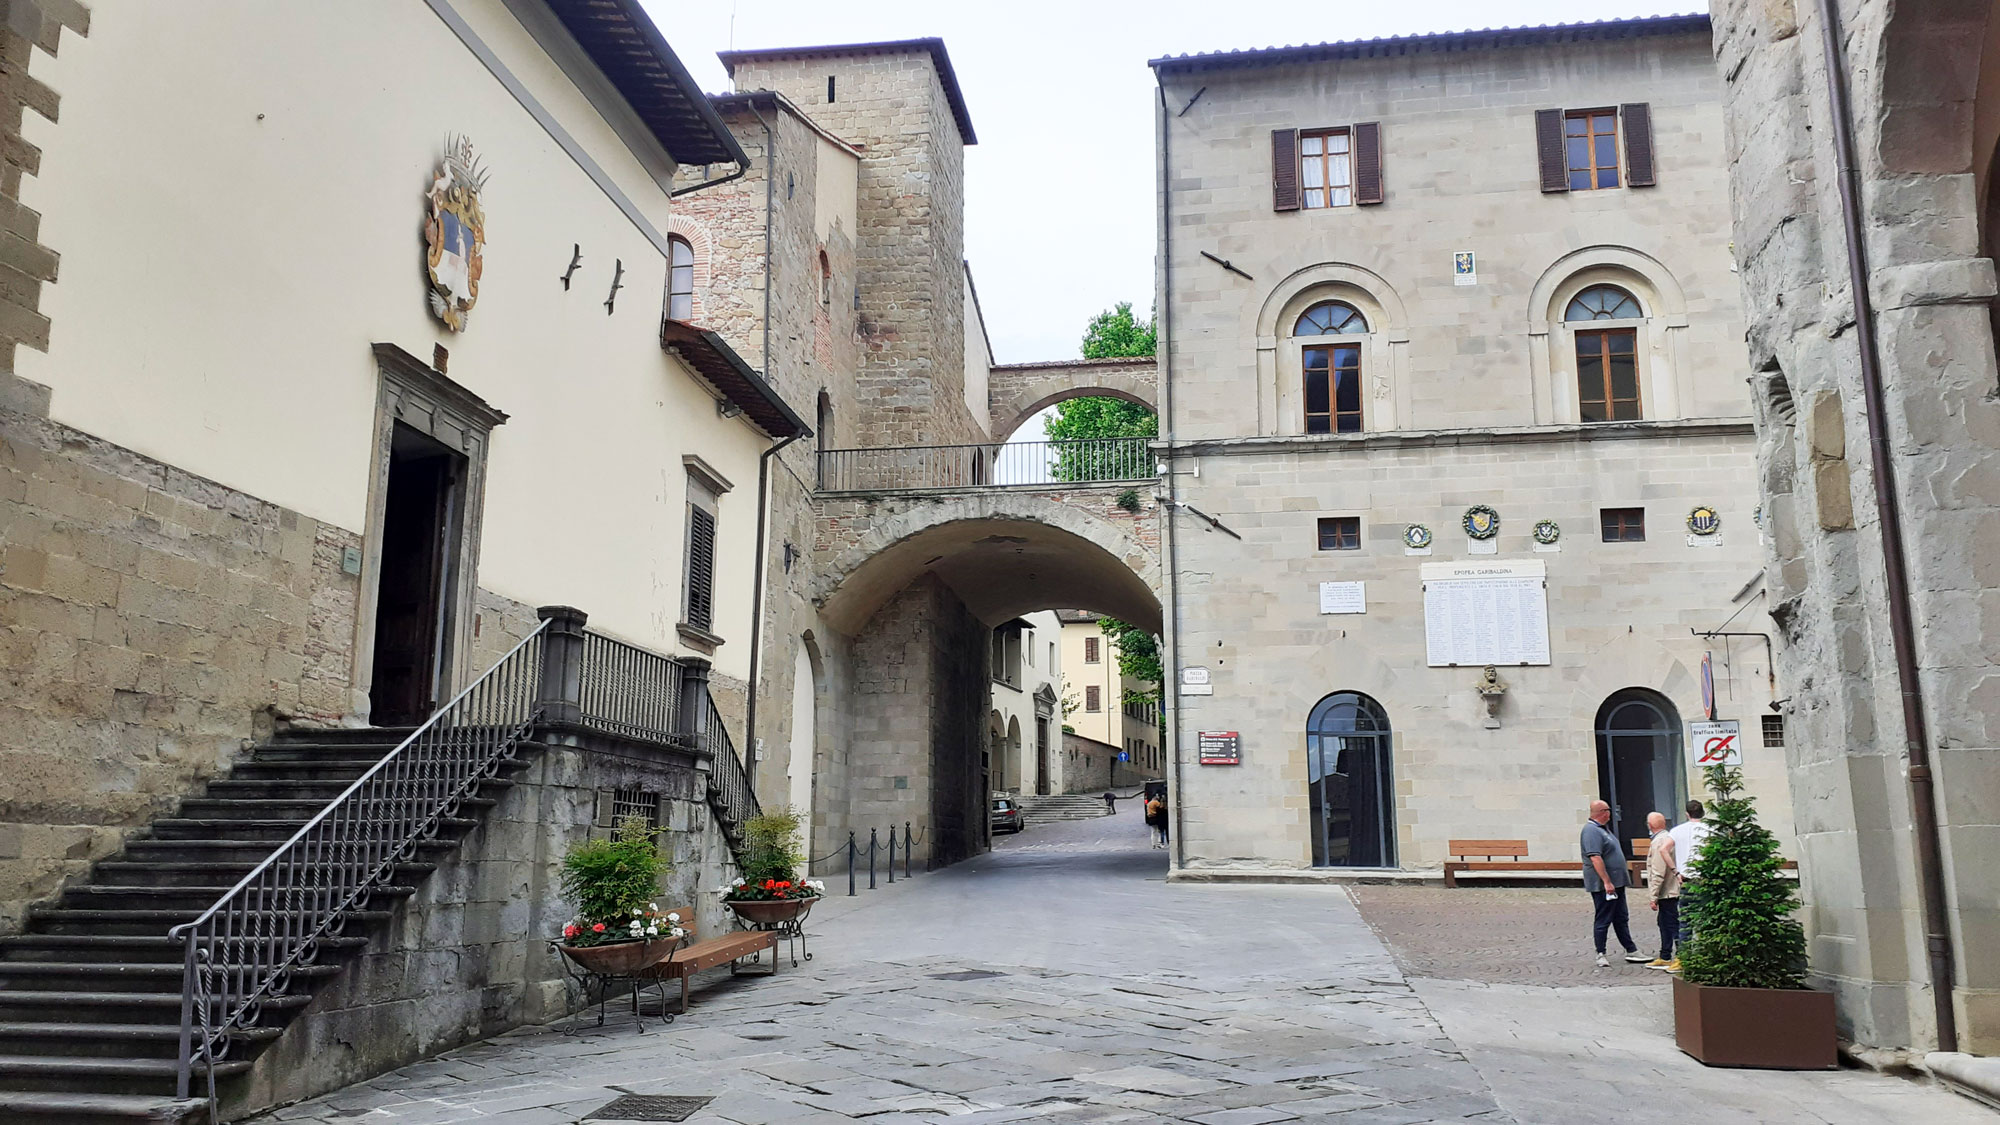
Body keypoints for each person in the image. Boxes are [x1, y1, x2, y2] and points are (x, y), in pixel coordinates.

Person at [1582, 800, 1649, 967]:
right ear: (1603, 812)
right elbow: (1595, 857)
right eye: (1608, 811)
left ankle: (1631, 949)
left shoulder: (1603, 830)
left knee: (1621, 917)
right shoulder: (1591, 831)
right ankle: (1600, 952)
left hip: (1616, 883)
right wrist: (1606, 881)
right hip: (1605, 885)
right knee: (1604, 917)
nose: (1610, 814)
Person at [1667, 799, 1713, 964]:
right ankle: (1707, 954)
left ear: (1687, 814)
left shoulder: (1677, 831)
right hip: (1705, 880)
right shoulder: (1710, 830)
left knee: (1685, 921)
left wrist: (1675, 870)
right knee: (1707, 920)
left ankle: (1684, 958)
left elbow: (1663, 849)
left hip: (1686, 879)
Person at [1644, 810, 1682, 969]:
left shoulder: (1659, 841)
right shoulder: (1668, 838)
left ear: (1650, 825)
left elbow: (1658, 871)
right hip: (1670, 889)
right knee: (1664, 922)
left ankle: (1680, 956)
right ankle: (1665, 955)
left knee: (1671, 923)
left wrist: (1653, 895)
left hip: (1667, 891)